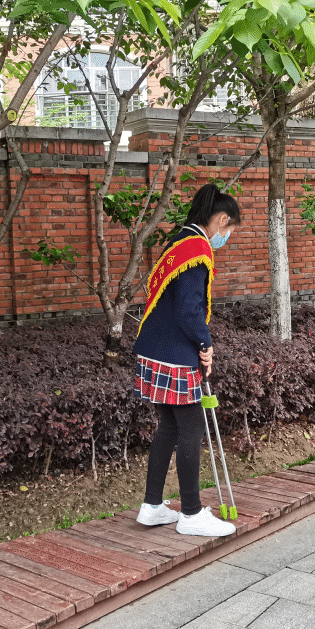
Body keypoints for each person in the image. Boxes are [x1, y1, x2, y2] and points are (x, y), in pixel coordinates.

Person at [133, 183, 240, 538]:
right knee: (191, 427)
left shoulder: (177, 241)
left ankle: (151, 506)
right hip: (176, 354)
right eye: (229, 230)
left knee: (169, 426)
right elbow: (189, 310)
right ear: (222, 219)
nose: (226, 237)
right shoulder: (198, 248)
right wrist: (204, 343)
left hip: (153, 347)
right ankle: (191, 513)